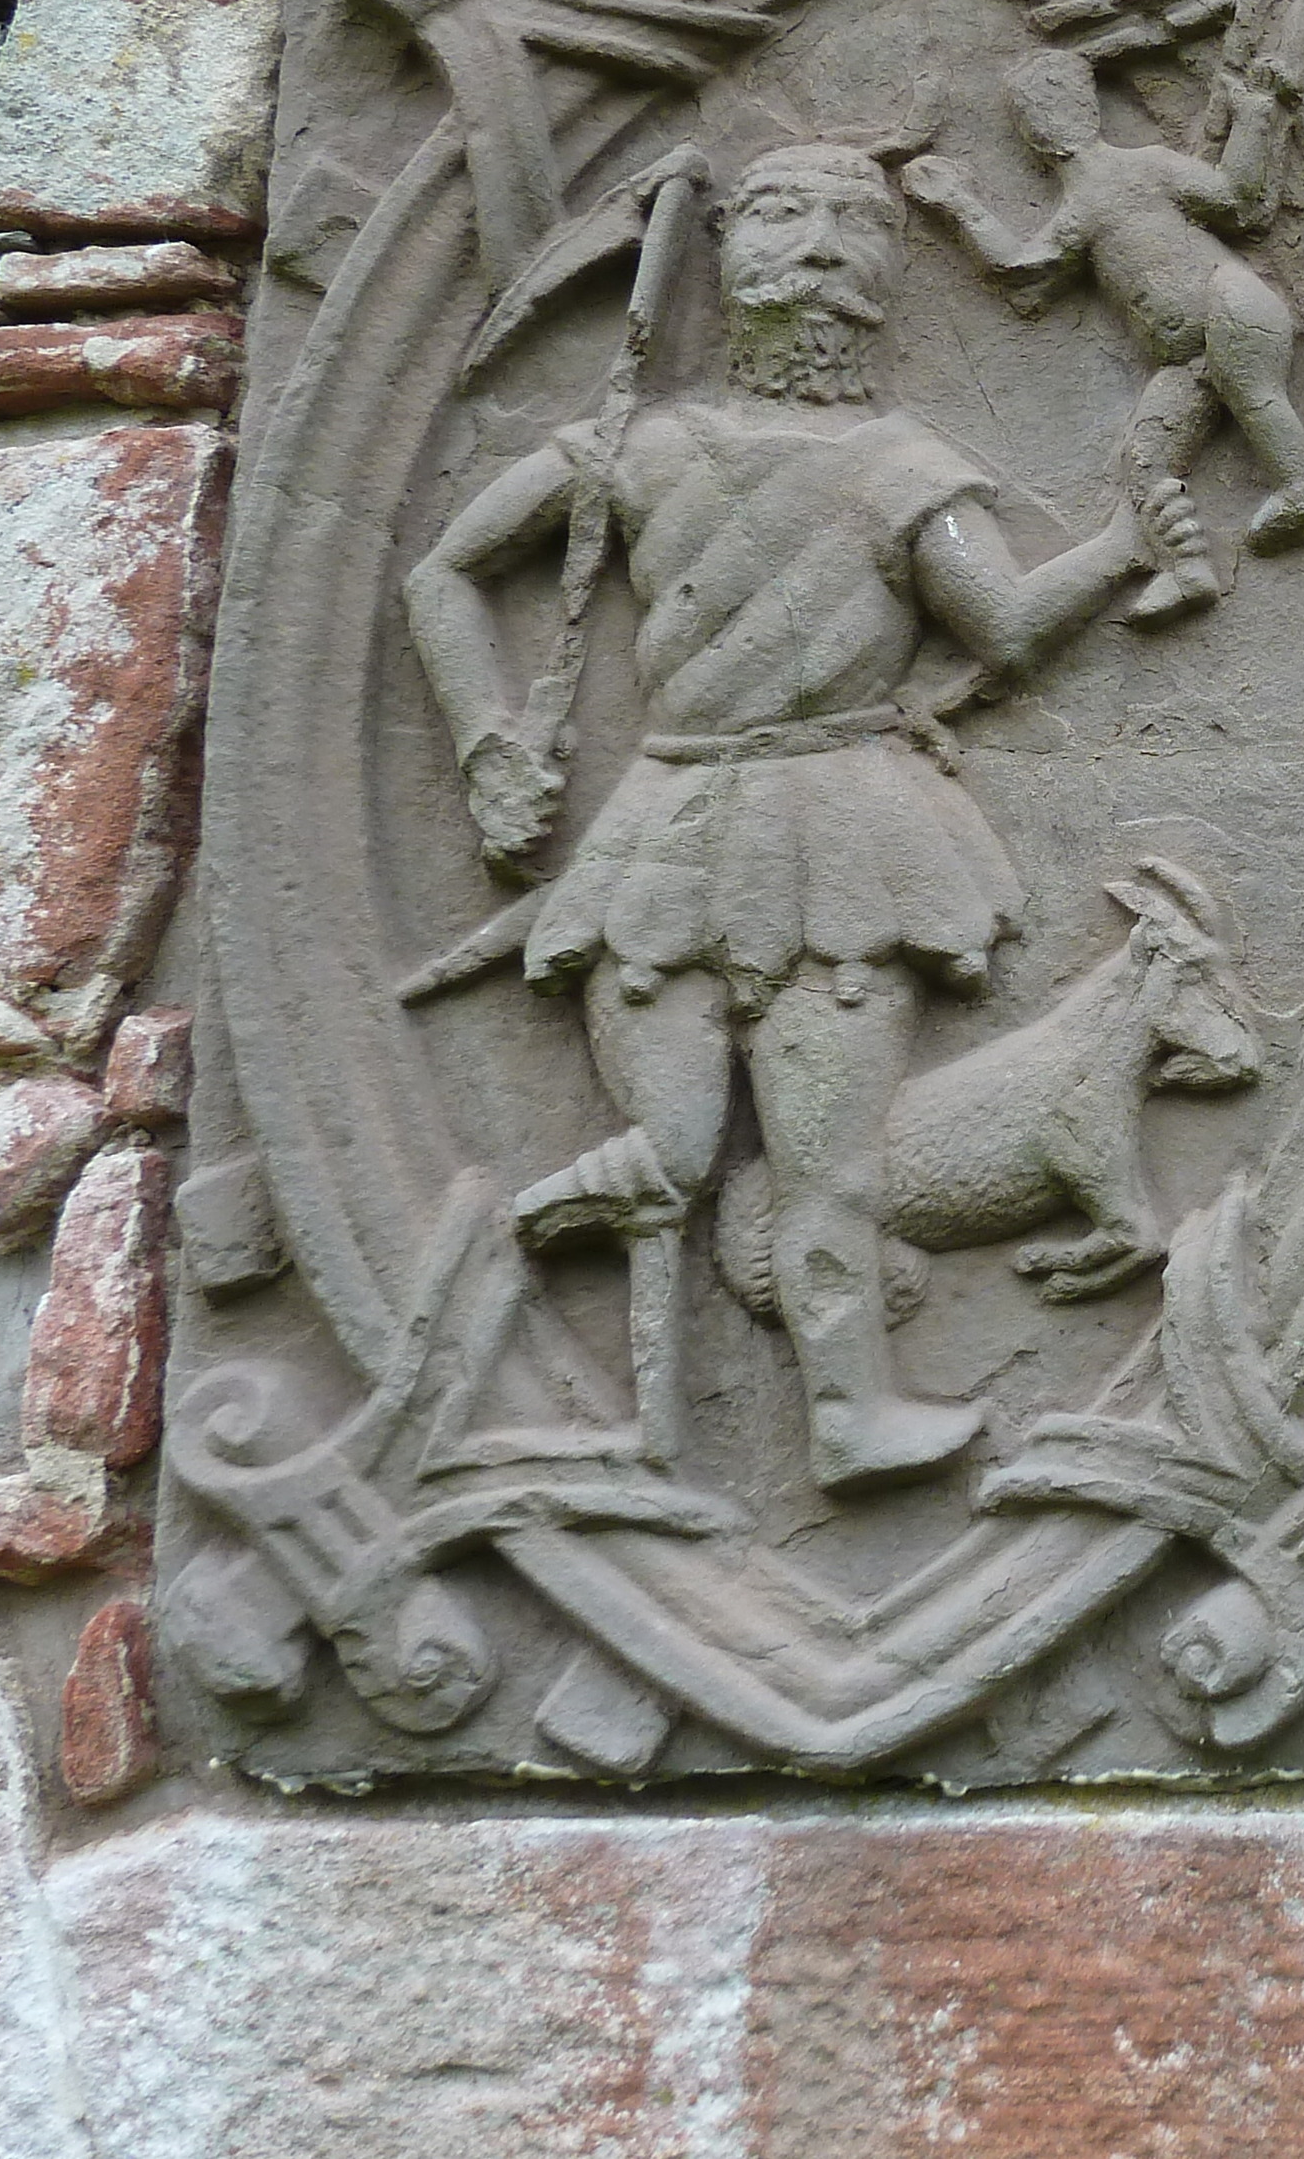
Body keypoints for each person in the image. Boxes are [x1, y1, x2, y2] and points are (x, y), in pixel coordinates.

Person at [403, 140, 1191, 1490]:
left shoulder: (901, 465)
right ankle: (509, 1285)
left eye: (850, 219)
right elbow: (446, 572)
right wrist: (487, 743)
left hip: (847, 831)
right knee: (675, 1151)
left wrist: (1122, 547)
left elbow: (995, 621)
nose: (817, 240)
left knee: (830, 1161)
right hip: (675, 817)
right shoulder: (634, 447)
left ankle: (845, 1416)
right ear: (729, 252)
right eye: (778, 211)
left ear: (886, 269)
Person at [903, 46, 1304, 623]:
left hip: (1229, 306)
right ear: (1031, 134)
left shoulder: (1147, 167)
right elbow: (1026, 278)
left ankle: (1301, 492)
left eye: (1057, 104)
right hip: (1186, 361)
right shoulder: (1081, 206)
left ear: (1087, 109)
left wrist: (1254, 117)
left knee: (1252, 392)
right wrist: (959, 207)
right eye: (1037, 112)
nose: (1049, 121)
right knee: (1146, 462)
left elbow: (1238, 199)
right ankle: (1186, 570)